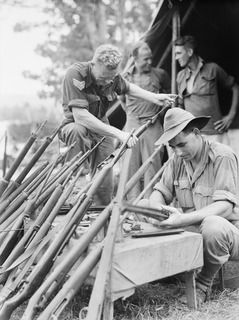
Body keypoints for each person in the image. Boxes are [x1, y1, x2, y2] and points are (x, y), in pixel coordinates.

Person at [140, 107, 239, 306]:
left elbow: (225, 208)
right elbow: (160, 192)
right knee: (143, 205)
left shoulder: (222, 156)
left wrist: (180, 219)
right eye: (172, 146)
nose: (177, 151)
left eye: (181, 145)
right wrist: (158, 210)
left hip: (230, 234)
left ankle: (203, 285)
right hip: (195, 231)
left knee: (213, 226)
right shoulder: (177, 159)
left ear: (196, 133)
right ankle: (167, 270)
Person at [60, 44, 175, 206]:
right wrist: (119, 134)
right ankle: (75, 182)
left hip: (101, 126)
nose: (107, 82)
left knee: (105, 176)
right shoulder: (76, 74)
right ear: (93, 64)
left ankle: (100, 210)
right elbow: (80, 117)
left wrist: (154, 98)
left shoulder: (111, 77)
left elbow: (128, 87)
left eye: (110, 78)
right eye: (103, 78)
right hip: (76, 125)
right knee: (78, 130)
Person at [121, 41, 171, 202]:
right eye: (145, 59)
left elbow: (168, 97)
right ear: (134, 58)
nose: (149, 62)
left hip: (153, 125)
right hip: (132, 126)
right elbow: (122, 100)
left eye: (150, 59)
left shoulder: (160, 74)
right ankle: (132, 206)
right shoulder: (125, 77)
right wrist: (133, 115)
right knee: (131, 167)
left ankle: (151, 205)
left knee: (152, 166)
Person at [174, 35, 239, 145]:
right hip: (194, 135)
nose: (176, 57)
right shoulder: (180, 76)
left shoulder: (212, 69)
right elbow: (180, 105)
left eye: (179, 53)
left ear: (190, 52)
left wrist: (230, 116)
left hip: (215, 134)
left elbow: (235, 88)